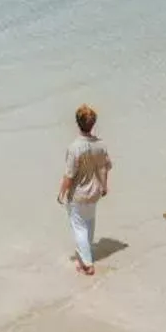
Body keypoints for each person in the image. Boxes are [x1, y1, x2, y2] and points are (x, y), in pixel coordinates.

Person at [57, 104, 112, 275]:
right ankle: (83, 261)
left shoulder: (74, 148)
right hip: (94, 192)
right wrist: (104, 186)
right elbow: (105, 167)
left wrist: (61, 193)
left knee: (79, 227)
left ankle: (87, 263)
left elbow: (69, 175)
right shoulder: (101, 145)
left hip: (78, 195)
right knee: (88, 224)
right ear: (93, 124)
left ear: (77, 123)